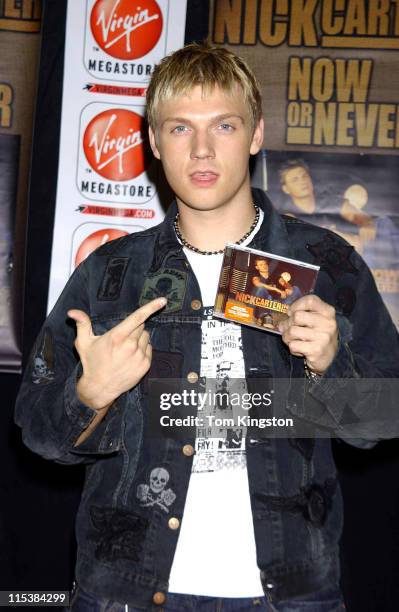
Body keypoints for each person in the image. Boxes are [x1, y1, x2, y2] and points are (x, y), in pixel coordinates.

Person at [15, 43, 399, 612]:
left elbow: (381, 421)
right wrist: (87, 395)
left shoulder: (328, 265)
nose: (201, 149)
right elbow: (36, 433)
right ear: (153, 142)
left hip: (288, 596)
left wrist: (332, 361)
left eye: (223, 124)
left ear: (256, 134)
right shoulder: (110, 275)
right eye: (178, 128)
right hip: (123, 591)